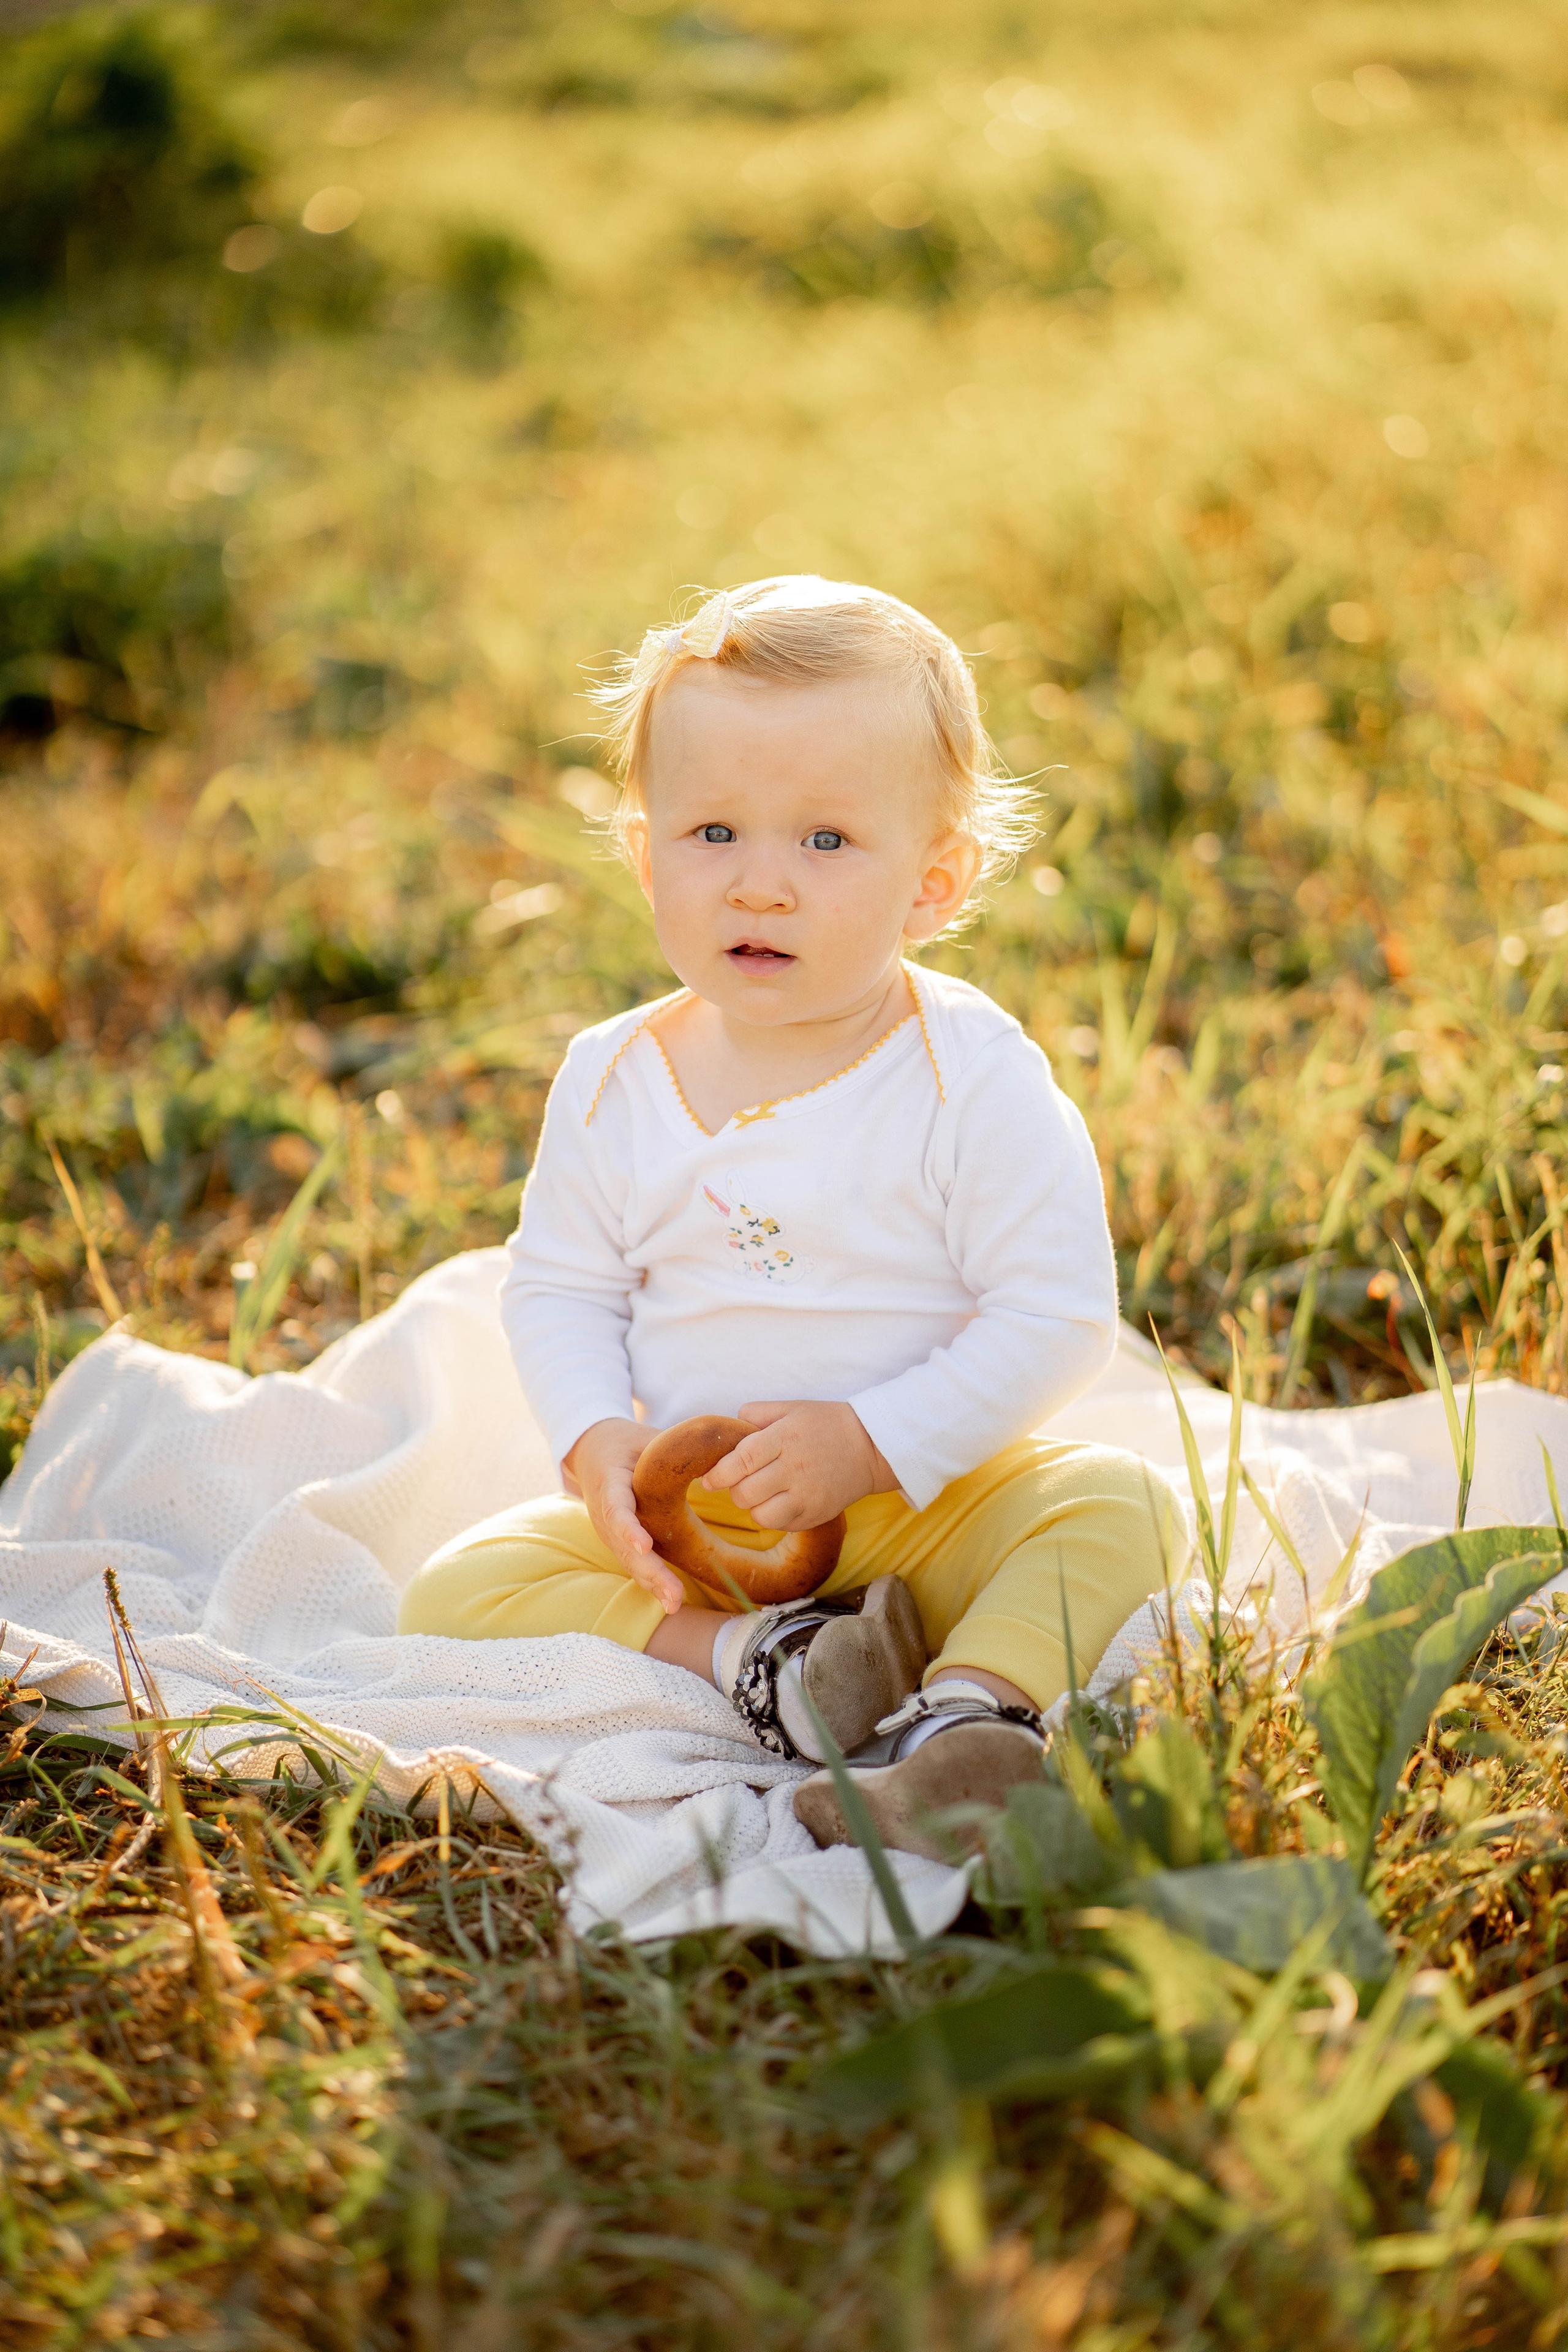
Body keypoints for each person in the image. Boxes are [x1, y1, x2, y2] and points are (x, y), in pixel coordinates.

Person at [398, 575, 1186, 1859]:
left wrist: (874, 1439)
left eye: (823, 842)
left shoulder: (964, 1072)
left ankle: (965, 1726)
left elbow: (1054, 1316)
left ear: (931, 886)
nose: (760, 885)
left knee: (1120, 1506)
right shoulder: (613, 1075)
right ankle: (780, 1665)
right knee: (458, 1584)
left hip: (929, 1506)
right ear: (645, 855)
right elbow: (559, 1286)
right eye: (713, 833)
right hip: (706, 1530)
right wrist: (595, 1435)